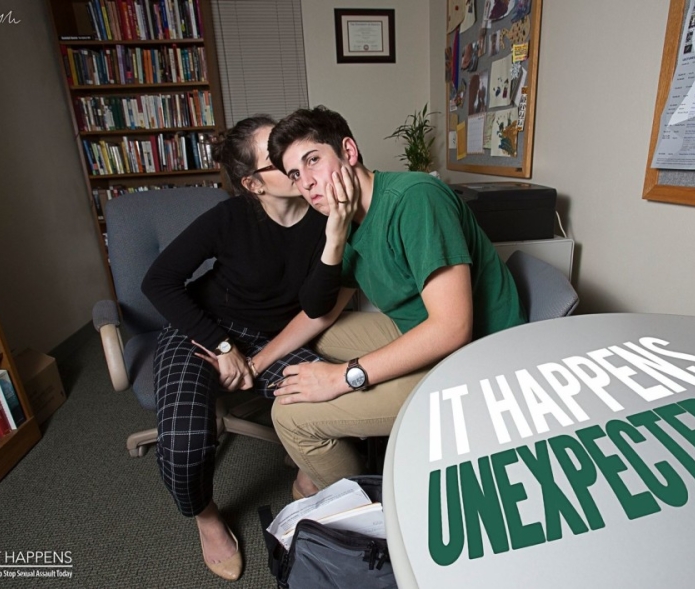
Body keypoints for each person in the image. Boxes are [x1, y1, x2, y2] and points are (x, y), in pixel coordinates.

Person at [261, 105, 526, 499]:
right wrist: (257, 361)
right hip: (421, 329)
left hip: (475, 362)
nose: (307, 183)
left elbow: (453, 328)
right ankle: (328, 454)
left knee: (289, 417)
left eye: (312, 160)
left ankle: (366, 508)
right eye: (296, 175)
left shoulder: (415, 198)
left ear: (348, 151)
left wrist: (341, 378)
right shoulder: (347, 218)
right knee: (322, 337)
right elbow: (321, 313)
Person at [140, 115, 357, 581]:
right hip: (203, 328)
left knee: (338, 405)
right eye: (276, 158)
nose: (292, 159)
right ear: (254, 184)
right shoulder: (229, 217)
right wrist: (221, 345)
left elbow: (320, 306)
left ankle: (306, 472)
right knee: (184, 442)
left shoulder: (327, 212)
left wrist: (258, 359)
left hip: (274, 335)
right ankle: (206, 517)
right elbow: (158, 281)